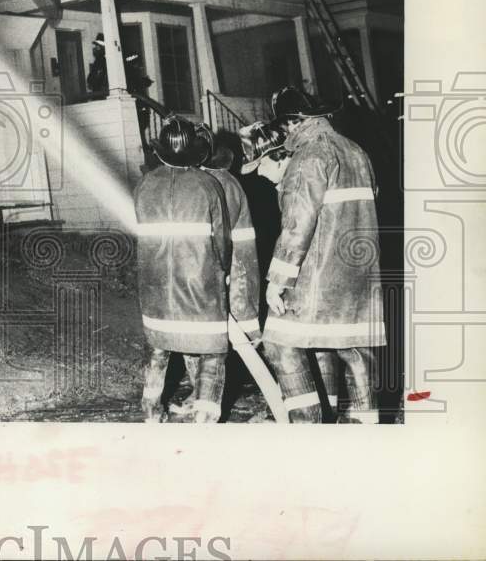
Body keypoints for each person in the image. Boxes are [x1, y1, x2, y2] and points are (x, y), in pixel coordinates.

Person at [245, 87, 385, 424]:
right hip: (362, 276)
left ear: (293, 122)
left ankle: (307, 423)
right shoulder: (356, 151)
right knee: (353, 349)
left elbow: (297, 224)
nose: (285, 133)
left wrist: (277, 281)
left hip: (319, 278)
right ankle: (364, 425)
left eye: (284, 125)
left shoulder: (309, 157)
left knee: (279, 340)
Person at [134, 116, 231, 423]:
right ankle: (204, 416)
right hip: (199, 283)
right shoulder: (207, 184)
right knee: (212, 349)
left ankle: (151, 411)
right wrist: (223, 271)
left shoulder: (145, 185)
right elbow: (222, 240)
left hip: (155, 284)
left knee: (158, 346)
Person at [194, 124, 261, 344]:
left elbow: (220, 232)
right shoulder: (214, 180)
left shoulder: (220, 182)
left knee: (243, 334)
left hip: (235, 270)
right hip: (232, 269)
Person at [86, 33, 109, 99]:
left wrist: (91, 81)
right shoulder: (98, 59)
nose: (96, 47)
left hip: (101, 92)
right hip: (98, 91)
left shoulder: (102, 60)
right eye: (96, 45)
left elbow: (99, 76)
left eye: (98, 46)